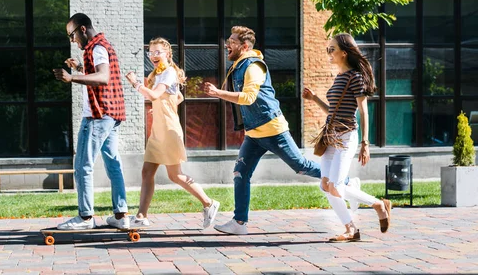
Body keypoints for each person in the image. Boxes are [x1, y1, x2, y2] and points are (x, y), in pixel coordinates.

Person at [203, 26, 360, 235]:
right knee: (240, 173)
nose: (227, 44)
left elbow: (248, 97)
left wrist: (217, 93)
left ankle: (348, 183)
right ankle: (239, 223)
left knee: (301, 166)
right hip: (254, 133)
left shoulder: (254, 66)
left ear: (245, 46)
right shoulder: (238, 66)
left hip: (273, 128)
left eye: (231, 41)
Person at [303, 33, 391, 242]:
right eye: (328, 49)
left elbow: (363, 112)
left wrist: (365, 143)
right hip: (330, 137)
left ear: (344, 52)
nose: (329, 53)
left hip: (346, 137)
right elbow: (333, 111)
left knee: (336, 186)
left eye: (332, 49)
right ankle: (351, 228)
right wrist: (314, 98)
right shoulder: (339, 78)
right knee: (325, 185)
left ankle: (377, 205)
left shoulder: (355, 77)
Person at [126, 37, 220, 229]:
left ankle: (209, 203)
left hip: (168, 130)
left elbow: (153, 95)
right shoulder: (160, 74)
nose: (153, 56)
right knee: (147, 172)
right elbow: (179, 96)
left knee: (175, 175)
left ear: (167, 53)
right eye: (150, 52)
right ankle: (141, 215)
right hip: (158, 130)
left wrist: (135, 83)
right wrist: (161, 106)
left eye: (157, 52)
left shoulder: (168, 73)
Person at [53, 13, 130, 230]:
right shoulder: (102, 46)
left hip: (98, 116)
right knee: (113, 164)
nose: (72, 40)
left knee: (82, 166)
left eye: (72, 34)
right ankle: (121, 215)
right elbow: (98, 72)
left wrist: (71, 77)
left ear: (83, 29)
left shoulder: (97, 47)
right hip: (112, 115)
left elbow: (102, 77)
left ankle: (85, 218)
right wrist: (79, 68)